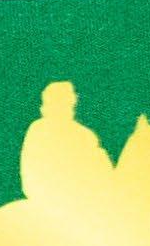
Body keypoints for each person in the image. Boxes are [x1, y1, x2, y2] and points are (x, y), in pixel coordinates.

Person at [21, 80, 116, 213]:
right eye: (60, 101)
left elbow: (101, 168)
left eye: (67, 102)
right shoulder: (39, 129)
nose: (67, 106)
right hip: (50, 199)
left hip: (84, 198)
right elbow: (32, 171)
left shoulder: (84, 135)